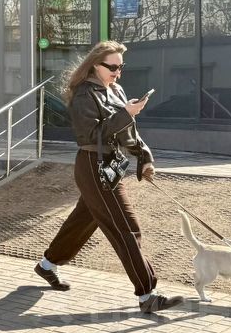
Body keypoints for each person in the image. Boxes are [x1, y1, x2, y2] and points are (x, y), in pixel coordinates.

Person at [34, 40, 183, 314]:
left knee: (83, 220)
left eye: (121, 67)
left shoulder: (115, 89)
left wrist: (144, 156)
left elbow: (127, 131)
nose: (118, 72)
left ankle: (47, 265)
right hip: (93, 165)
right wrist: (125, 113)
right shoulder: (83, 94)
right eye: (112, 67)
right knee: (126, 226)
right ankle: (147, 294)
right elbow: (90, 136)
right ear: (95, 65)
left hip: (110, 164)